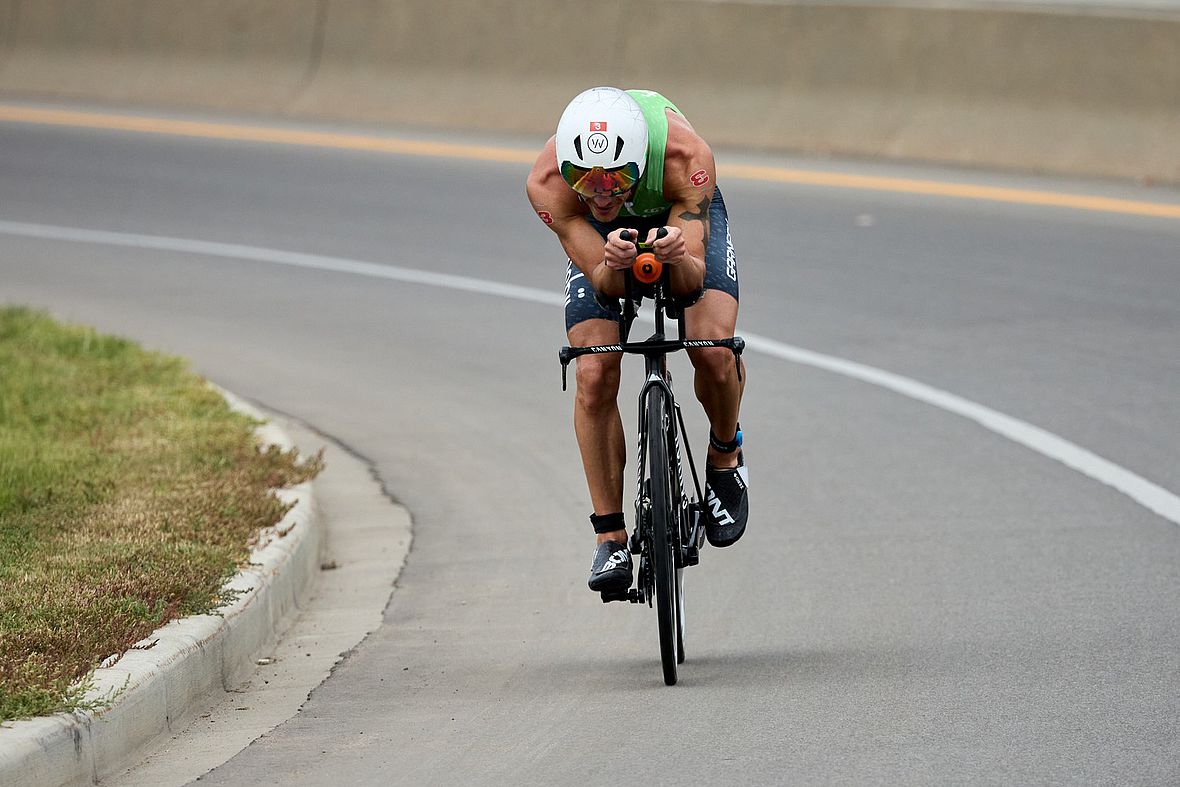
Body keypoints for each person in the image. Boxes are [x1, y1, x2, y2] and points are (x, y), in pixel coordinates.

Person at [526, 87, 748, 593]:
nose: (601, 194)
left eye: (616, 179)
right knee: (592, 370)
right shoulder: (548, 184)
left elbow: (690, 280)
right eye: (586, 181)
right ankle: (610, 538)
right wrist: (614, 261)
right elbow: (605, 282)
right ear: (565, 170)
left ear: (640, 164)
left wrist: (676, 256)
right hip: (601, 245)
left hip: (676, 211)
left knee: (712, 350)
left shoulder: (685, 159)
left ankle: (725, 456)